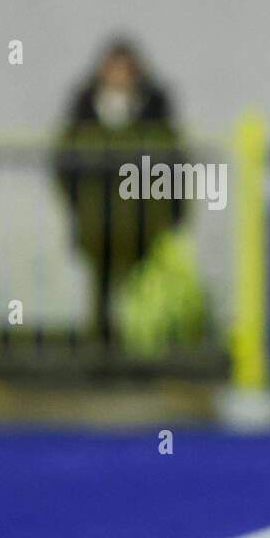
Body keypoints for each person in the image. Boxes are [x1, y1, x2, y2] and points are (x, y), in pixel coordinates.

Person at [54, 39, 183, 344]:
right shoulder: (85, 116)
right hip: (97, 224)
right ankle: (100, 349)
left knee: (142, 292)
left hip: (145, 224)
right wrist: (79, 205)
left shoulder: (154, 118)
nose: (120, 77)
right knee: (99, 291)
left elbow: (176, 167)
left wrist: (172, 214)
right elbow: (64, 165)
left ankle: (138, 348)